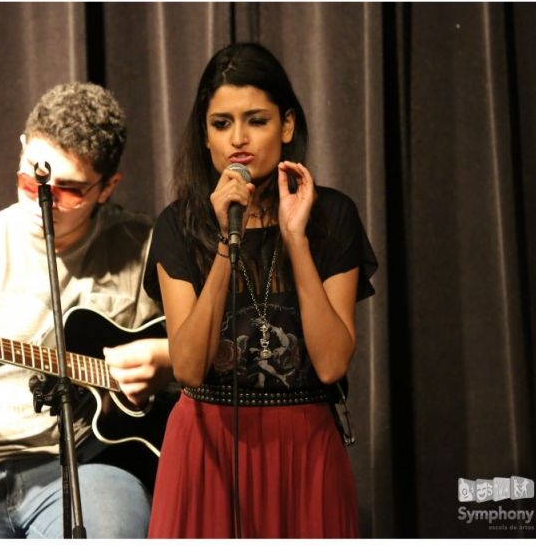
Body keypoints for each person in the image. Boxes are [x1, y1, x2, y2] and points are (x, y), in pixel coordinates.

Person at [0, 82, 172, 538]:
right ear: (22, 151)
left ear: (107, 188)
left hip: (91, 464)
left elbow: (214, 351)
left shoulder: (144, 247)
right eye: (32, 182)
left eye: (71, 191)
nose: (46, 201)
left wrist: (166, 358)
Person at [143, 43, 378, 538]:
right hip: (205, 447)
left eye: (257, 120)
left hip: (304, 446)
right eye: (221, 123)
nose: (239, 139)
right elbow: (187, 366)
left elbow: (333, 361)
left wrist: (295, 238)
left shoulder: (332, 216)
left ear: (286, 127)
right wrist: (228, 246)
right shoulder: (179, 226)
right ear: (204, 136)